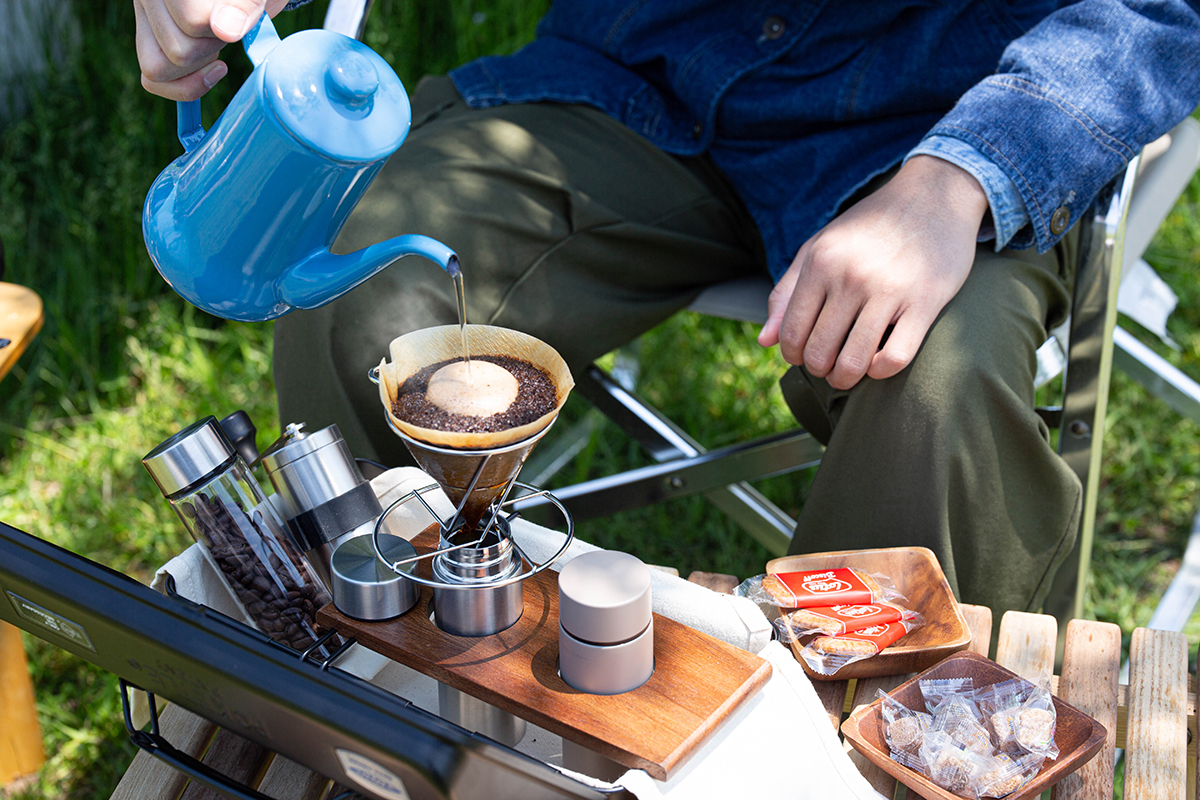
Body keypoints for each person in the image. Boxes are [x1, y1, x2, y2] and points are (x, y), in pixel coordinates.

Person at [134, 0, 1200, 624]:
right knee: (367, 296)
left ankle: (863, 756)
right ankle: (409, 696)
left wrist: (960, 177)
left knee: (935, 396)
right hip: (644, 75)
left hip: (951, 126)